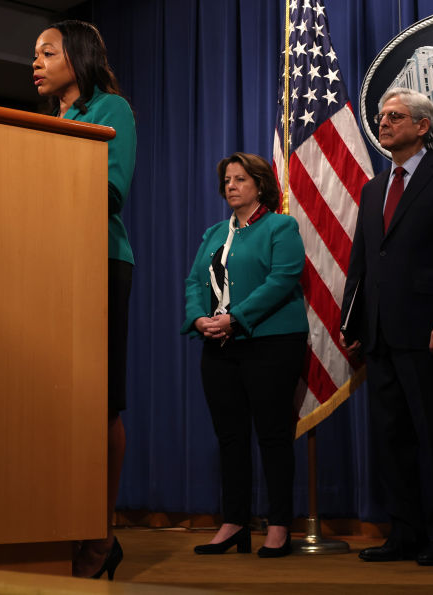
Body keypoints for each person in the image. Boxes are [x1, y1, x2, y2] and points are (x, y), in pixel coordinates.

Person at [340, 87, 433, 566]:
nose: (384, 122)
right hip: (379, 333)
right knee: (392, 438)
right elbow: (362, 262)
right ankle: (404, 532)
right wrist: (351, 320)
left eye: (394, 116)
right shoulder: (374, 187)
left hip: (428, 329)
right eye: (381, 116)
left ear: (422, 126)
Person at [32, 19, 136, 580]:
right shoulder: (52, 121)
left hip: (100, 264)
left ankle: (101, 533)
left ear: (77, 56)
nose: (37, 62)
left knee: (100, 403)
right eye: (36, 54)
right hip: (52, 268)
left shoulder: (110, 110)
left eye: (47, 52)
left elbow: (110, 189)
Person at [182, 152, 308, 559]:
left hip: (270, 343)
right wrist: (199, 319)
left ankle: (278, 526)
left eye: (239, 179)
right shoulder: (213, 232)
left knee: (272, 435)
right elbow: (193, 281)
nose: (231, 186)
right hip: (218, 345)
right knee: (230, 438)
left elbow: (282, 279)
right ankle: (234, 523)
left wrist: (235, 319)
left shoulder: (280, 226)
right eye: (227, 181)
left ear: (259, 184)